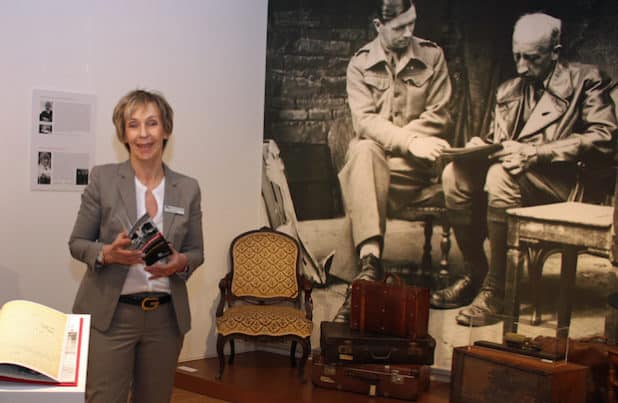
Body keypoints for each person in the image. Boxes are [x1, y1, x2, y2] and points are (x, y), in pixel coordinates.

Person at [430, 13, 617, 326]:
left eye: (531, 58)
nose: (521, 66)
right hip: (518, 176)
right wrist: (483, 146)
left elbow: (605, 136)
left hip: (568, 186)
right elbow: (506, 143)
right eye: (517, 55)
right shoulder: (509, 90)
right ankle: (476, 272)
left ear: (555, 52)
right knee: (455, 175)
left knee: (500, 177)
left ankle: (497, 290)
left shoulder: (587, 80)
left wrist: (537, 153)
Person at [68, 89, 204, 402]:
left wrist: (181, 261)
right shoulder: (103, 179)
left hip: (165, 322)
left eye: (152, 123)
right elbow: (77, 243)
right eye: (133, 125)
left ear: (166, 130)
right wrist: (106, 253)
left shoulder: (188, 188)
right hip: (111, 317)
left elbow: (197, 251)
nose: (143, 134)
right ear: (123, 133)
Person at [333, 0, 452, 322]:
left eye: (412, 23)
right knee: (363, 151)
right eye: (400, 27)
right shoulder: (360, 65)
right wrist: (409, 141)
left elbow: (439, 115)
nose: (409, 32)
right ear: (378, 25)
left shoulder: (432, 56)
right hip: (379, 160)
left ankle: (359, 281)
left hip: (414, 169)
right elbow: (364, 122)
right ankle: (370, 264)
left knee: (363, 165)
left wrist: (402, 144)